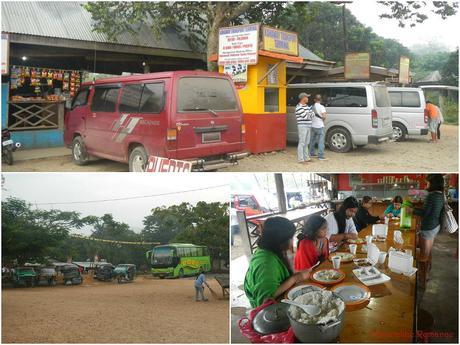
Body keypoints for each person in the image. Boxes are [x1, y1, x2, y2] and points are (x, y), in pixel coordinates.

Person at [244, 217, 310, 308]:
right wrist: (295, 278)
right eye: (291, 238)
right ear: (280, 241)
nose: (292, 241)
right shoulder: (266, 263)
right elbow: (264, 301)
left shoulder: (271, 249)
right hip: (268, 310)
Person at [411, 174, 445, 288]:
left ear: (433, 183)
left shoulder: (431, 196)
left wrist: (411, 210)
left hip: (428, 227)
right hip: (435, 226)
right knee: (429, 252)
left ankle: (423, 278)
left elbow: (425, 213)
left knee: (422, 256)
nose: (426, 185)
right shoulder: (441, 195)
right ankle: (428, 269)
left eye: (428, 182)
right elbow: (431, 211)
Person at [295, 93, 314, 164]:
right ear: (303, 98)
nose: (308, 98)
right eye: (307, 97)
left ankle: (306, 158)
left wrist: (309, 114)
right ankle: (301, 159)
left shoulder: (306, 106)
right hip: (302, 126)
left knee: (306, 143)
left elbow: (313, 114)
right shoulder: (299, 107)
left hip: (308, 125)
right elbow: (306, 116)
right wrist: (310, 114)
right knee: (302, 143)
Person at [309, 94, 328, 161]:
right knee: (320, 141)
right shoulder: (322, 107)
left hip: (313, 125)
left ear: (314, 100)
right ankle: (320, 156)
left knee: (312, 140)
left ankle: (311, 153)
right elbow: (324, 116)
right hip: (320, 126)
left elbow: (309, 116)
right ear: (321, 100)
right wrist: (322, 120)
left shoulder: (311, 107)